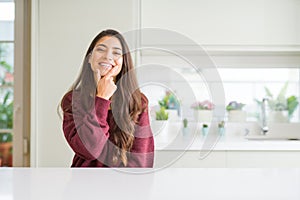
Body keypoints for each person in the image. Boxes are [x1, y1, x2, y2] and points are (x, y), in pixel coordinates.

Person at [60, 29, 154, 167]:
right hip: (83, 185)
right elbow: (88, 151)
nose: (107, 57)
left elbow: (142, 161)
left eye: (116, 53)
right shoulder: (73, 100)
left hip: (125, 186)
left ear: (123, 62)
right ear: (90, 58)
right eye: (101, 50)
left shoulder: (138, 102)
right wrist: (102, 99)